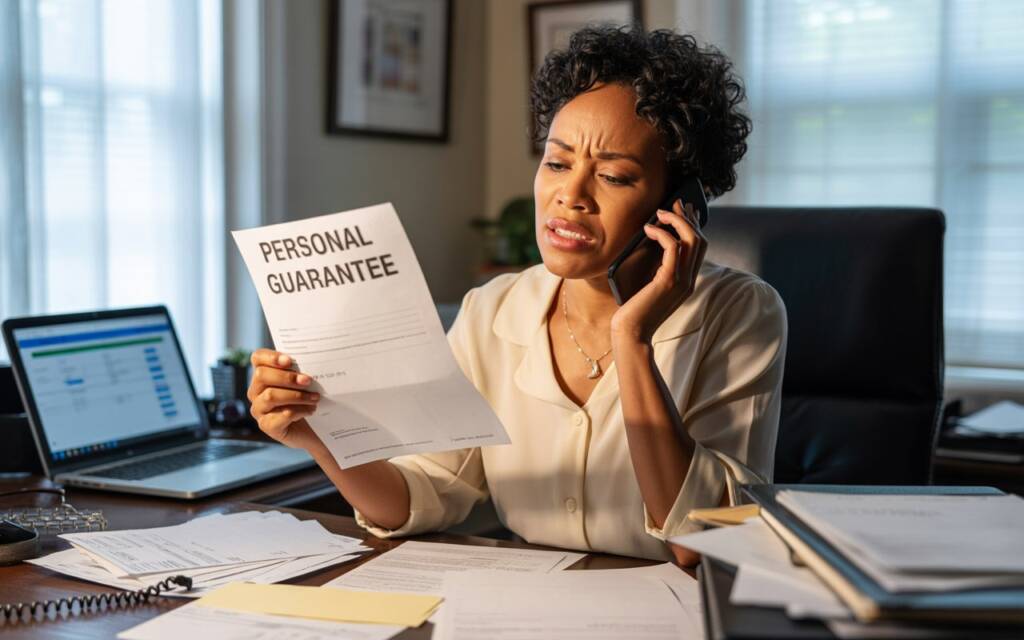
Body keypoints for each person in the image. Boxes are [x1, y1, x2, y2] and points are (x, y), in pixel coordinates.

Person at [246, 26, 786, 564]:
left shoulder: (741, 312)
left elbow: (703, 540)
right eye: (557, 162)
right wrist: (321, 437)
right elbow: (424, 493)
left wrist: (632, 338)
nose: (570, 195)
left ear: (680, 204)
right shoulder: (494, 310)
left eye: (614, 176)